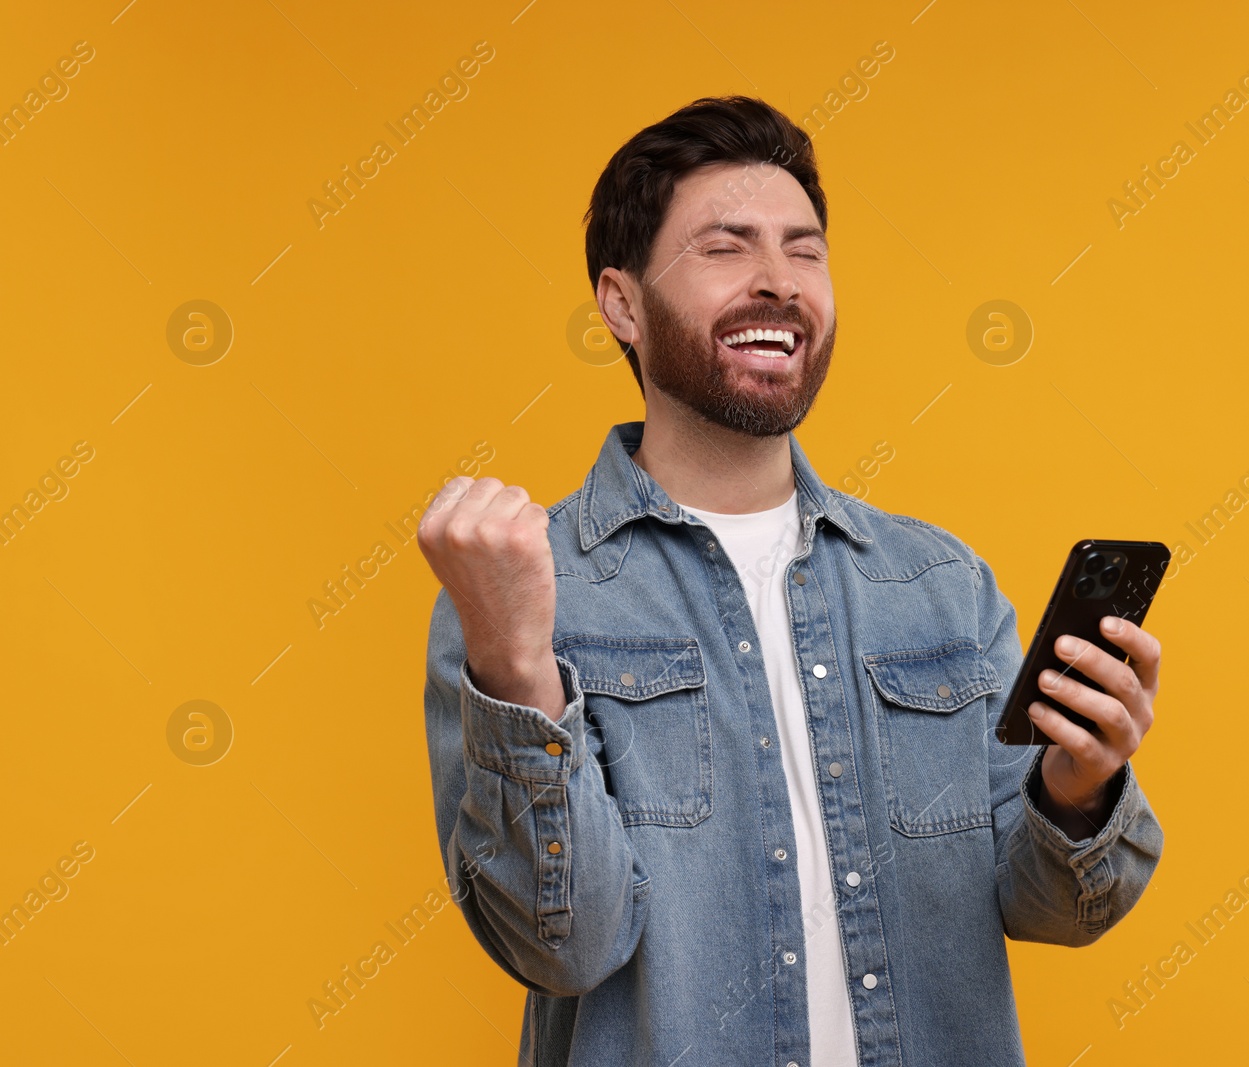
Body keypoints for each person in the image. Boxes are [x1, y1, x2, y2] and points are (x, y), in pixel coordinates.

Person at [419, 95, 1164, 1066]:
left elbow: (1057, 909)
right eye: (725, 247)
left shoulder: (940, 582)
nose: (778, 282)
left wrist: (1077, 784)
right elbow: (562, 946)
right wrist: (518, 670)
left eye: (803, 250)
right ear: (621, 301)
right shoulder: (523, 588)